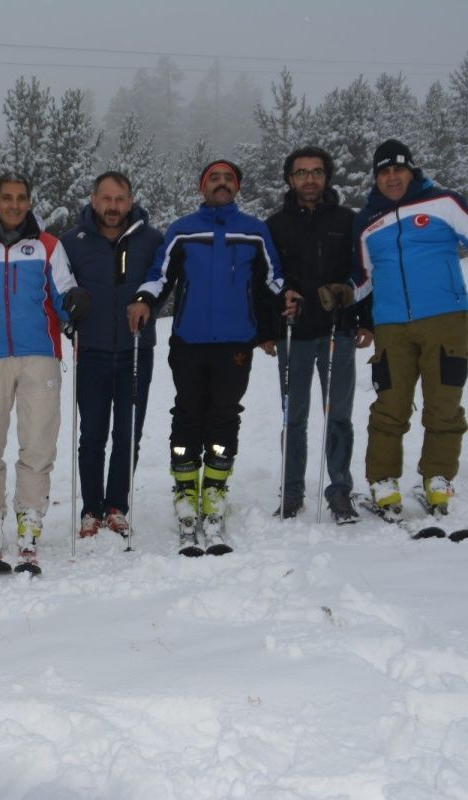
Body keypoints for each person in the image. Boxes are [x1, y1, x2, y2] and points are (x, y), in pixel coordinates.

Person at [128, 160, 297, 553]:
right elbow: (160, 274)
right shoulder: (183, 230)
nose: (221, 184)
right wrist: (143, 299)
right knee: (187, 414)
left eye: (228, 179)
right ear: (202, 188)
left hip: (235, 343)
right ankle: (186, 489)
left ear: (236, 187)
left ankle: (216, 490)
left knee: (224, 414)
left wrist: (287, 293)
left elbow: (273, 276)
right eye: (214, 179)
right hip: (188, 339)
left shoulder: (254, 231)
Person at [323, 139, 468, 517]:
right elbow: (364, 277)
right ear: (376, 178)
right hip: (391, 326)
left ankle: (438, 478)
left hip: (445, 321)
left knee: (444, 406)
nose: (391, 177)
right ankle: (383, 481)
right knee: (390, 405)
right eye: (384, 172)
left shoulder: (444, 203)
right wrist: (344, 291)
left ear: (411, 171)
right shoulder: (367, 220)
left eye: (398, 170)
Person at [0, 172, 90, 565]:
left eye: (22, 198)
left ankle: (30, 519)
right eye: (7, 198)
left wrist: (74, 302)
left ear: (29, 202)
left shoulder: (47, 245)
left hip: (40, 354)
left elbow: (63, 290)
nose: (15, 205)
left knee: (38, 442)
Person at [258, 146, 373, 523]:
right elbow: (264, 280)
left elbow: (365, 273)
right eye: (302, 172)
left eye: (317, 172)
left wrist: (365, 319)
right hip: (294, 334)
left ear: (327, 176)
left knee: (338, 416)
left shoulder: (347, 219)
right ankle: (292, 492)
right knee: (294, 418)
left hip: (337, 332)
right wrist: (268, 327)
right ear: (290, 179)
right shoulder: (274, 225)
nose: (309, 179)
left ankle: (339, 490)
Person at [60, 171, 162, 539]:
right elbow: (59, 287)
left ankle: (117, 505)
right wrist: (69, 315)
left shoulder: (150, 239)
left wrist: (148, 304)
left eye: (120, 199)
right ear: (93, 199)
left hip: (136, 350)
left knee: (127, 433)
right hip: (92, 351)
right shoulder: (73, 242)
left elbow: (163, 279)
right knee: (92, 435)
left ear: (131, 201)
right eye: (106, 198)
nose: (113, 206)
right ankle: (91, 508)